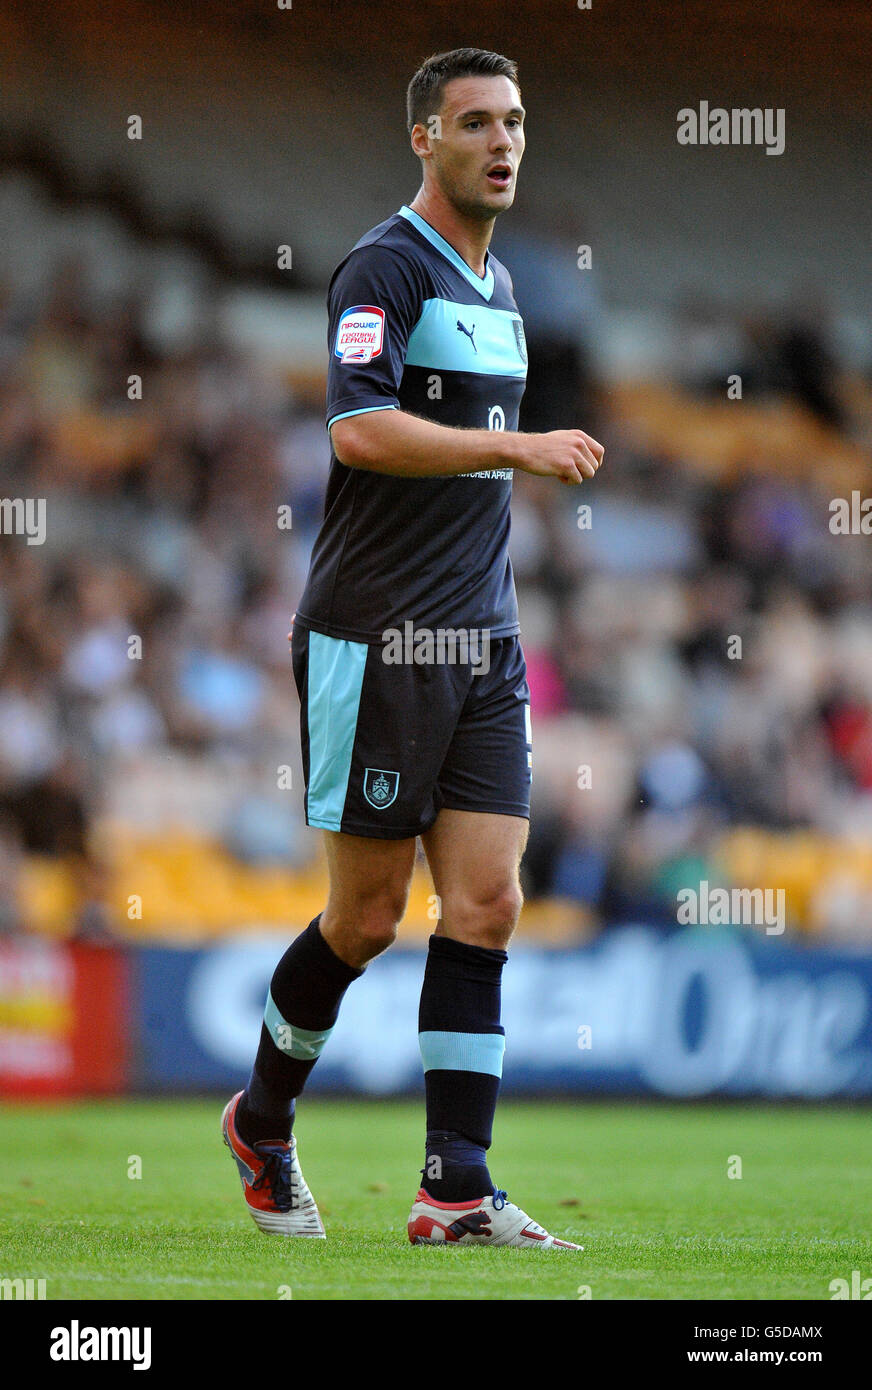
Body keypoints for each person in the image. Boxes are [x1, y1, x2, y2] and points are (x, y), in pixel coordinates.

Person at [222, 46, 602, 1248]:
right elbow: (357, 431)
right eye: (476, 121)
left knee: (486, 902)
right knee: (365, 920)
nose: (502, 141)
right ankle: (262, 1120)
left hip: (481, 639)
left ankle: (454, 1187)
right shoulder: (383, 266)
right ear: (422, 139)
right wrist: (515, 447)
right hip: (375, 637)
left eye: (516, 122)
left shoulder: (497, 293)